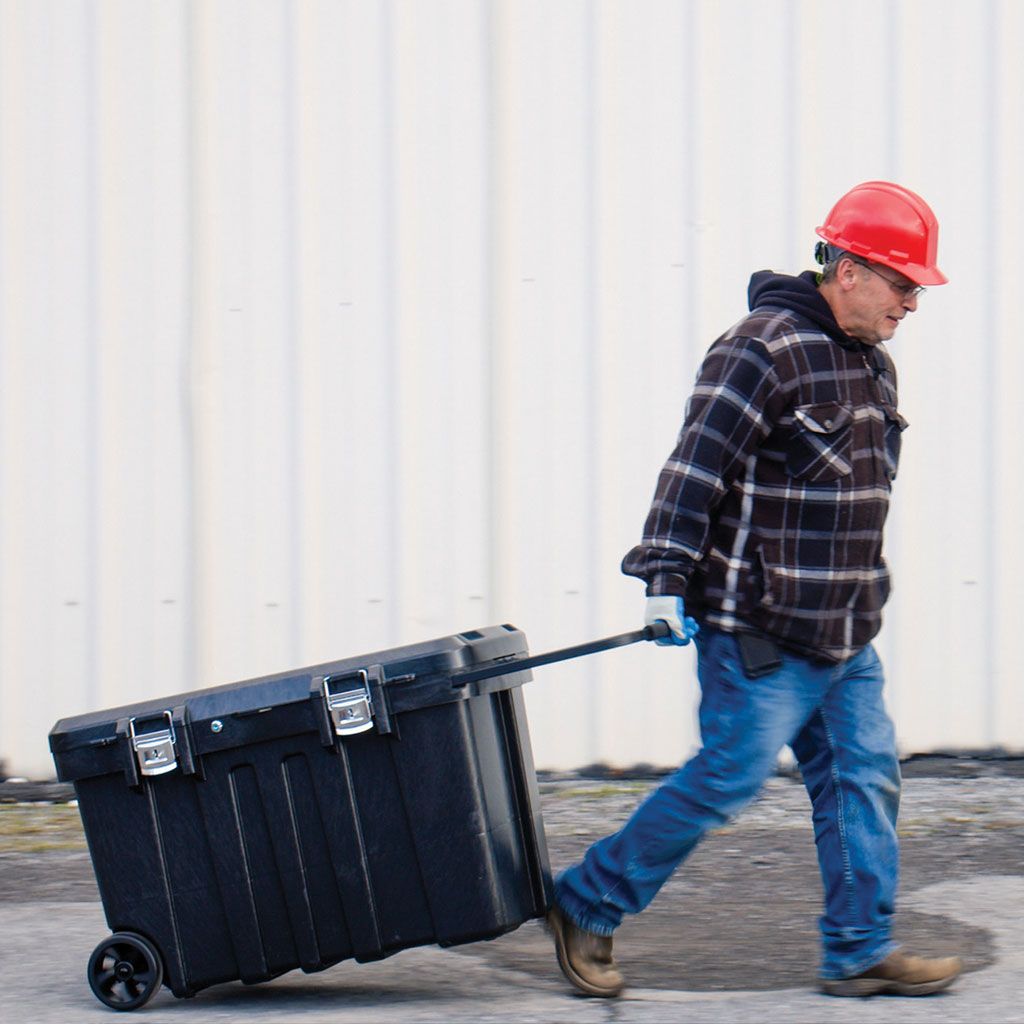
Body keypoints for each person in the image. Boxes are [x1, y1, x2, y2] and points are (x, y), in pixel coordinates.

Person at [547, 181, 964, 999]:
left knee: (864, 777)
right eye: (902, 281)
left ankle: (857, 949)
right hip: (759, 631)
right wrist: (665, 578)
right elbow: (695, 465)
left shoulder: (872, 363)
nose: (913, 301)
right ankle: (586, 903)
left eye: (917, 286)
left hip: (845, 630)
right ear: (847, 269)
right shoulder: (758, 348)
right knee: (730, 777)